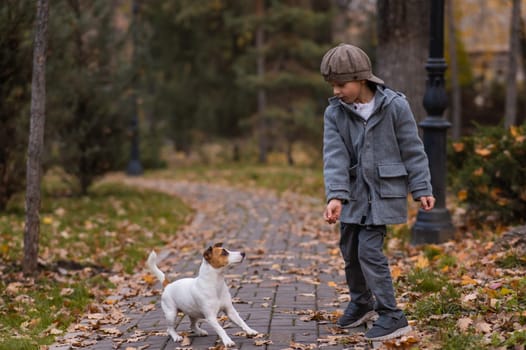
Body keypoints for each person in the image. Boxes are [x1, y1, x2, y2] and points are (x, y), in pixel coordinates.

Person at [320, 43, 435, 341]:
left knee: (369, 251)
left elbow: (413, 149)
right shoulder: (335, 113)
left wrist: (421, 187)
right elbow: (335, 156)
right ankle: (361, 304)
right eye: (332, 85)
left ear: (361, 79)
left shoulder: (395, 106)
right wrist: (335, 196)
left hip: (383, 193)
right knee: (350, 252)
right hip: (353, 196)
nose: (336, 91)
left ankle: (392, 315)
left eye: (341, 84)